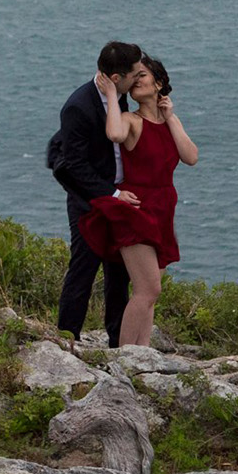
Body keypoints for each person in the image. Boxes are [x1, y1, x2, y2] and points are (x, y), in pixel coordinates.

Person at [78, 54, 197, 351]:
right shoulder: (131, 119)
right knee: (147, 289)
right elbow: (114, 133)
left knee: (150, 294)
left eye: (142, 75)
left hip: (163, 210)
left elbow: (191, 156)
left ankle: (142, 354)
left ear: (158, 84)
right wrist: (109, 93)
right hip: (137, 209)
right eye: (134, 76)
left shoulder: (169, 120)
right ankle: (124, 356)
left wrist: (170, 116)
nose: (135, 79)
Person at [48, 41, 145, 343]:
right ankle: (67, 338)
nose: (139, 79)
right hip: (88, 201)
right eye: (135, 75)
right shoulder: (78, 106)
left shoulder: (119, 98)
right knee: (84, 268)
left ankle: (117, 341)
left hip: (120, 196)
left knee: (119, 272)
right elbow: (75, 165)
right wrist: (111, 194)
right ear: (117, 79)